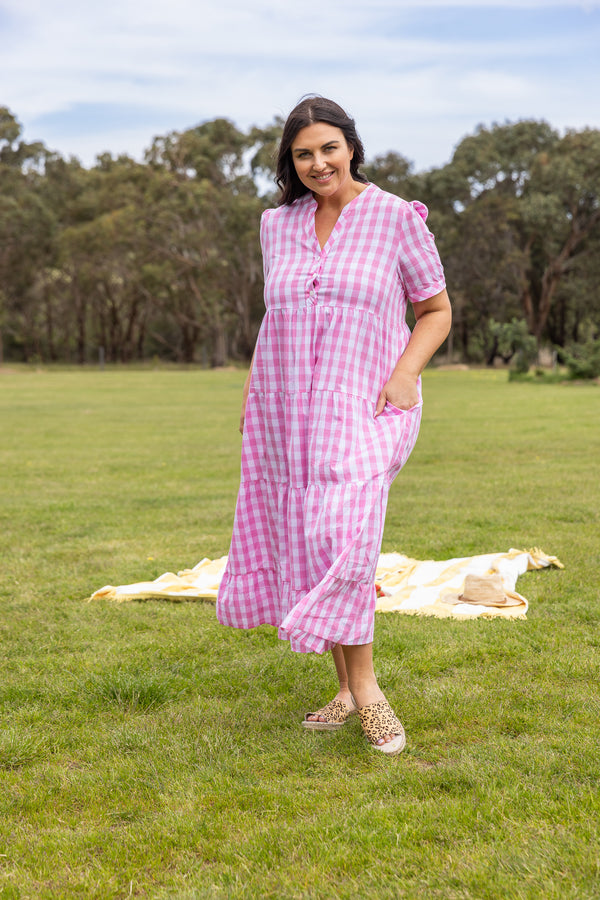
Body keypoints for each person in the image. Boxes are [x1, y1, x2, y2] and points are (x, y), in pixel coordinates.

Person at [217, 96, 451, 755]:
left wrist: (405, 373)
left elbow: (435, 309)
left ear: (351, 146)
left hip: (369, 406)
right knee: (311, 538)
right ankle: (344, 689)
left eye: (329, 147)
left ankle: (368, 691)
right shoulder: (277, 225)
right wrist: (250, 393)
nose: (318, 162)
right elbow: (278, 321)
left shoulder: (395, 219)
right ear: (290, 162)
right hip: (286, 409)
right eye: (303, 153)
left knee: (346, 534)